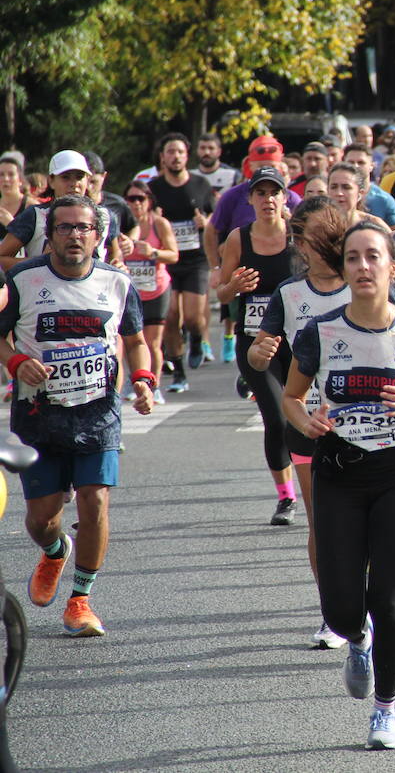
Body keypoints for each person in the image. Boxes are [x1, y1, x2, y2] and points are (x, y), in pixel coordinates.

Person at [282, 221, 395, 750]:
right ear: (344, 270)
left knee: (388, 597)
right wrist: (306, 421)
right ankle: (356, 638)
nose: (363, 266)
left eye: (373, 257)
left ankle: (385, 710)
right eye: (353, 258)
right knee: (342, 611)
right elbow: (291, 396)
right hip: (339, 472)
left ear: (393, 267)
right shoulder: (319, 332)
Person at [0, 195, 156, 637]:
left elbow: (136, 341)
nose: (74, 235)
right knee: (41, 519)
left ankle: (80, 600)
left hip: (98, 413)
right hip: (39, 415)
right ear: (49, 237)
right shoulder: (22, 279)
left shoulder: (117, 282)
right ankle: (54, 550)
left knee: (95, 500)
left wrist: (143, 379)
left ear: (97, 235)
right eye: (64, 227)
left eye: (83, 227)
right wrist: (16, 362)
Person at [248, 196, 351, 649]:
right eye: (306, 239)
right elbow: (258, 353)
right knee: (323, 524)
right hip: (308, 422)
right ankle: (334, 612)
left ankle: (363, 604)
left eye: (326, 237)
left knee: (362, 525)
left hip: (365, 425)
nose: (316, 246)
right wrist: (258, 354)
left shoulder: (365, 284)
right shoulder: (289, 294)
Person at [217, 167, 301, 525]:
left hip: (297, 341)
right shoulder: (239, 238)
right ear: (250, 199)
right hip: (255, 341)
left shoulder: (299, 234)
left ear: (285, 198)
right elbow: (222, 293)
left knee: (306, 417)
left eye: (274, 192)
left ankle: (319, 485)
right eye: (261, 193)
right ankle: (286, 498)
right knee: (277, 418)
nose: (268, 199)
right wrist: (234, 287)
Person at [147, 133, 216, 392]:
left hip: (195, 259)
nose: (175, 156)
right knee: (171, 315)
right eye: (170, 152)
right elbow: (143, 220)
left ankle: (197, 339)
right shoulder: (153, 189)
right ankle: (179, 372)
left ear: (187, 156)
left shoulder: (201, 184)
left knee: (193, 318)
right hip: (166, 260)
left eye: (180, 152)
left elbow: (215, 219)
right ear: (162, 157)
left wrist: (205, 222)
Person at [123, 180, 178, 405]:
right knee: (130, 340)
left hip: (156, 289)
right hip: (130, 291)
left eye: (140, 198)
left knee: (152, 342)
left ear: (149, 201)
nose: (136, 203)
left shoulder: (159, 224)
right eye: (131, 199)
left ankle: (154, 386)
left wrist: (154, 252)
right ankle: (133, 381)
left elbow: (174, 255)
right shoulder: (121, 225)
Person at [327, 163, 388, 230]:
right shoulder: (319, 224)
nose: (339, 193)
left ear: (360, 194)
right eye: (334, 187)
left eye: (346, 187)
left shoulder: (375, 225)